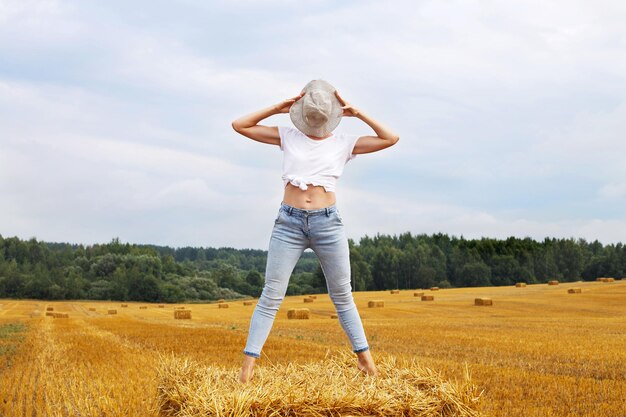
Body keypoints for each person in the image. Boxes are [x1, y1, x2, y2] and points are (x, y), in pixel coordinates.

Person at [231, 79, 399, 383]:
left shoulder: (344, 143)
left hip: (327, 224)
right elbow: (239, 125)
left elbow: (391, 138)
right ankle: (246, 370)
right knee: (271, 295)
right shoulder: (287, 136)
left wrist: (358, 113)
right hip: (289, 223)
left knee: (342, 296)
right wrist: (277, 108)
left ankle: (367, 364)